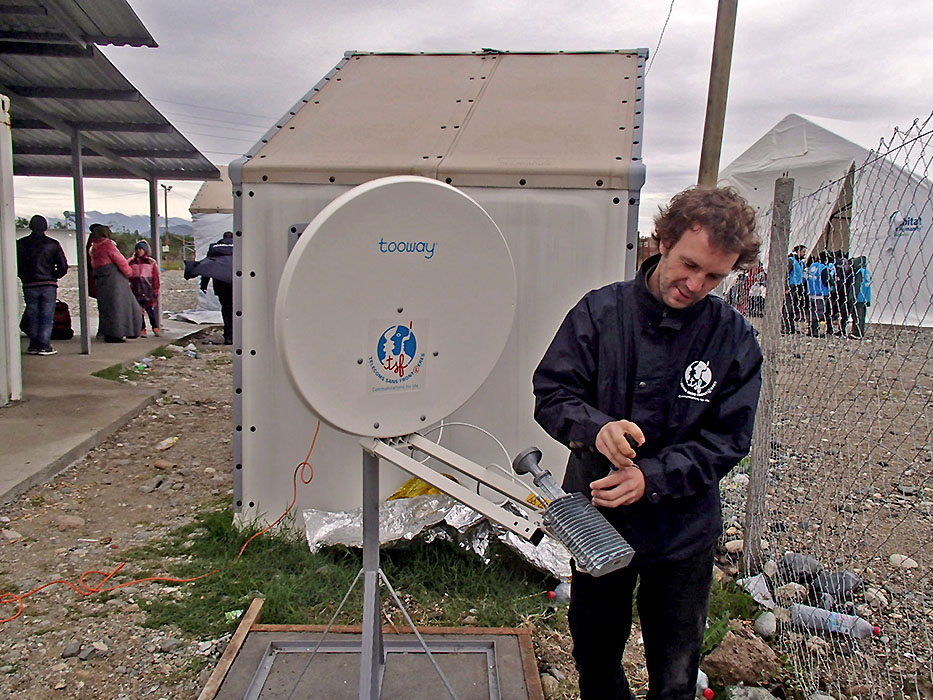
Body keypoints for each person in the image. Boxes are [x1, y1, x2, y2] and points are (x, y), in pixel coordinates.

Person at [532, 187, 763, 699]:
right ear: (663, 241)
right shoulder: (600, 312)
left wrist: (651, 477)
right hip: (597, 520)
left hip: (683, 529)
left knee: (677, 667)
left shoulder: (733, 338)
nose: (696, 285)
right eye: (689, 265)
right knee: (595, 653)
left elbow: (729, 439)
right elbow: (551, 393)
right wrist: (596, 429)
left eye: (714, 277)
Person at [16, 215, 68, 355]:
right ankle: (44, 345)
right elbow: (63, 266)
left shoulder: (20, 244)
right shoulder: (53, 244)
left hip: (29, 284)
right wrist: (54, 275)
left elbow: (17, 265)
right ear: (45, 227)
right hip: (48, 284)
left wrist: (23, 276)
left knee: (32, 314)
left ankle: (34, 344)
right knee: (46, 315)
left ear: (30, 226)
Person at [88, 224, 142, 343]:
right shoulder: (107, 244)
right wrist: (129, 273)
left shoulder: (93, 247)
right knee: (120, 307)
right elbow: (120, 260)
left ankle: (107, 332)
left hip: (100, 279)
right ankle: (119, 333)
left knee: (106, 308)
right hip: (114, 280)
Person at [185, 231, 234, 344]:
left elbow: (208, 267)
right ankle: (238, 334)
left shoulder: (214, 248)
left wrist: (204, 284)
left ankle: (228, 336)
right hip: (236, 283)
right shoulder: (240, 247)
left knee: (226, 309)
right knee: (237, 309)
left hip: (220, 284)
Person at [127, 240, 161, 337]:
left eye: (141, 249)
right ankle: (142, 329)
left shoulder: (151, 262)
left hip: (147, 290)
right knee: (139, 311)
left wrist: (156, 290)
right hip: (136, 290)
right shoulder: (131, 262)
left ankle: (155, 327)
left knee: (150, 310)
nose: (139, 251)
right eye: (137, 249)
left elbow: (155, 277)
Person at [782, 244, 807, 334]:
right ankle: (785, 327)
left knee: (794, 307)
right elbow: (785, 274)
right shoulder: (791, 261)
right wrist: (786, 287)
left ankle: (791, 327)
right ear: (798, 251)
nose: (804, 254)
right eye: (803, 252)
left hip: (798, 286)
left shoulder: (801, 262)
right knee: (787, 307)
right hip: (791, 286)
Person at [852, 255, 871, 338]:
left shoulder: (860, 272)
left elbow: (857, 286)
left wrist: (853, 296)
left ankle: (856, 332)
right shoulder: (867, 272)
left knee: (857, 315)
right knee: (862, 316)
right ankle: (861, 331)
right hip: (866, 297)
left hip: (859, 297)